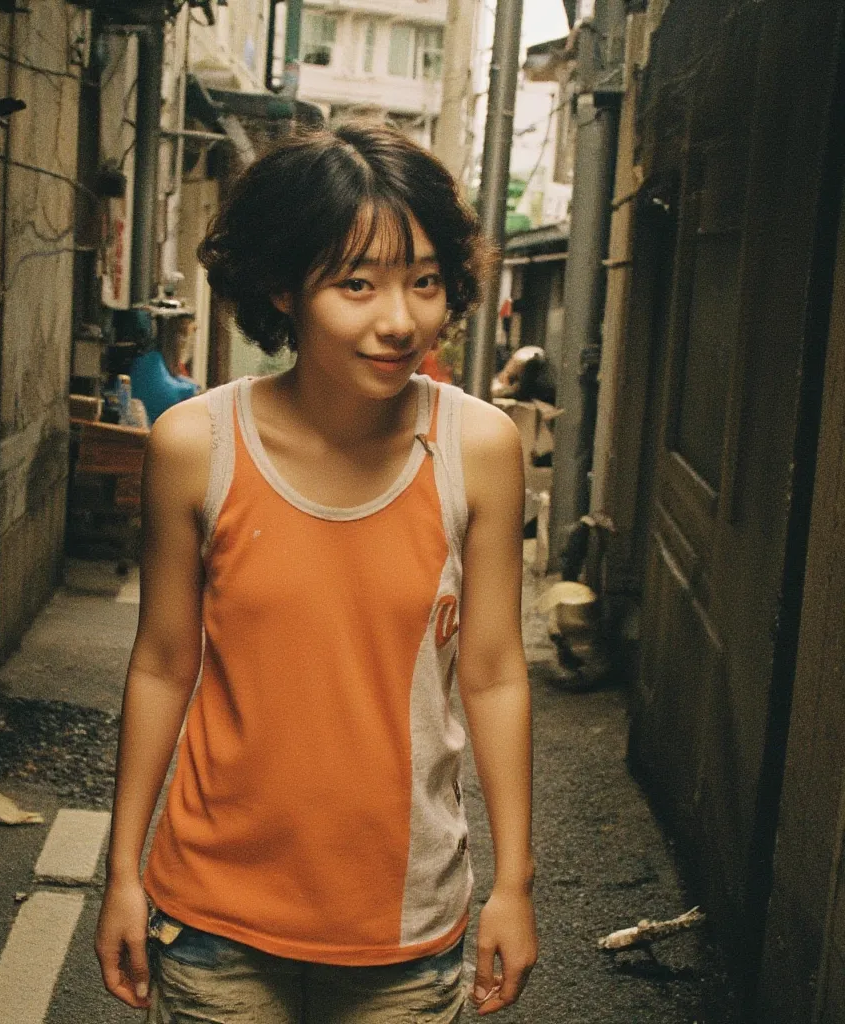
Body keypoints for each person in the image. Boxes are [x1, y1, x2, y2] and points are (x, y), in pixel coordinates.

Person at [95, 121, 537, 1022]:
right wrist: (120, 874)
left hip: (406, 926)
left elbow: (493, 676)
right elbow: (161, 664)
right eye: (357, 283)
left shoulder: (479, 449)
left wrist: (514, 886)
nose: (399, 319)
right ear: (284, 290)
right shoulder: (196, 446)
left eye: (423, 281)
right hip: (214, 917)